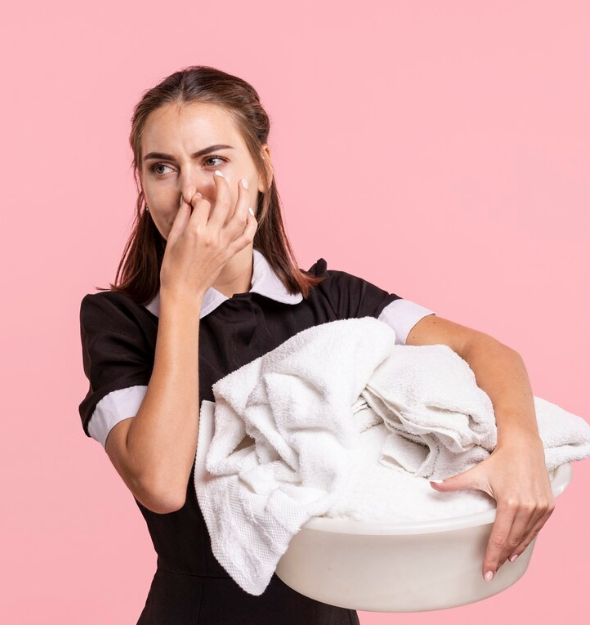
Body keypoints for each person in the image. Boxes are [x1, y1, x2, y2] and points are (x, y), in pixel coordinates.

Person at [76, 66, 555, 625]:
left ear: (263, 168)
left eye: (214, 160)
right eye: (162, 168)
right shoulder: (119, 321)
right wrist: (181, 294)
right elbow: (159, 484)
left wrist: (522, 447)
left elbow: (485, 351)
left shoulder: (336, 303)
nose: (189, 191)